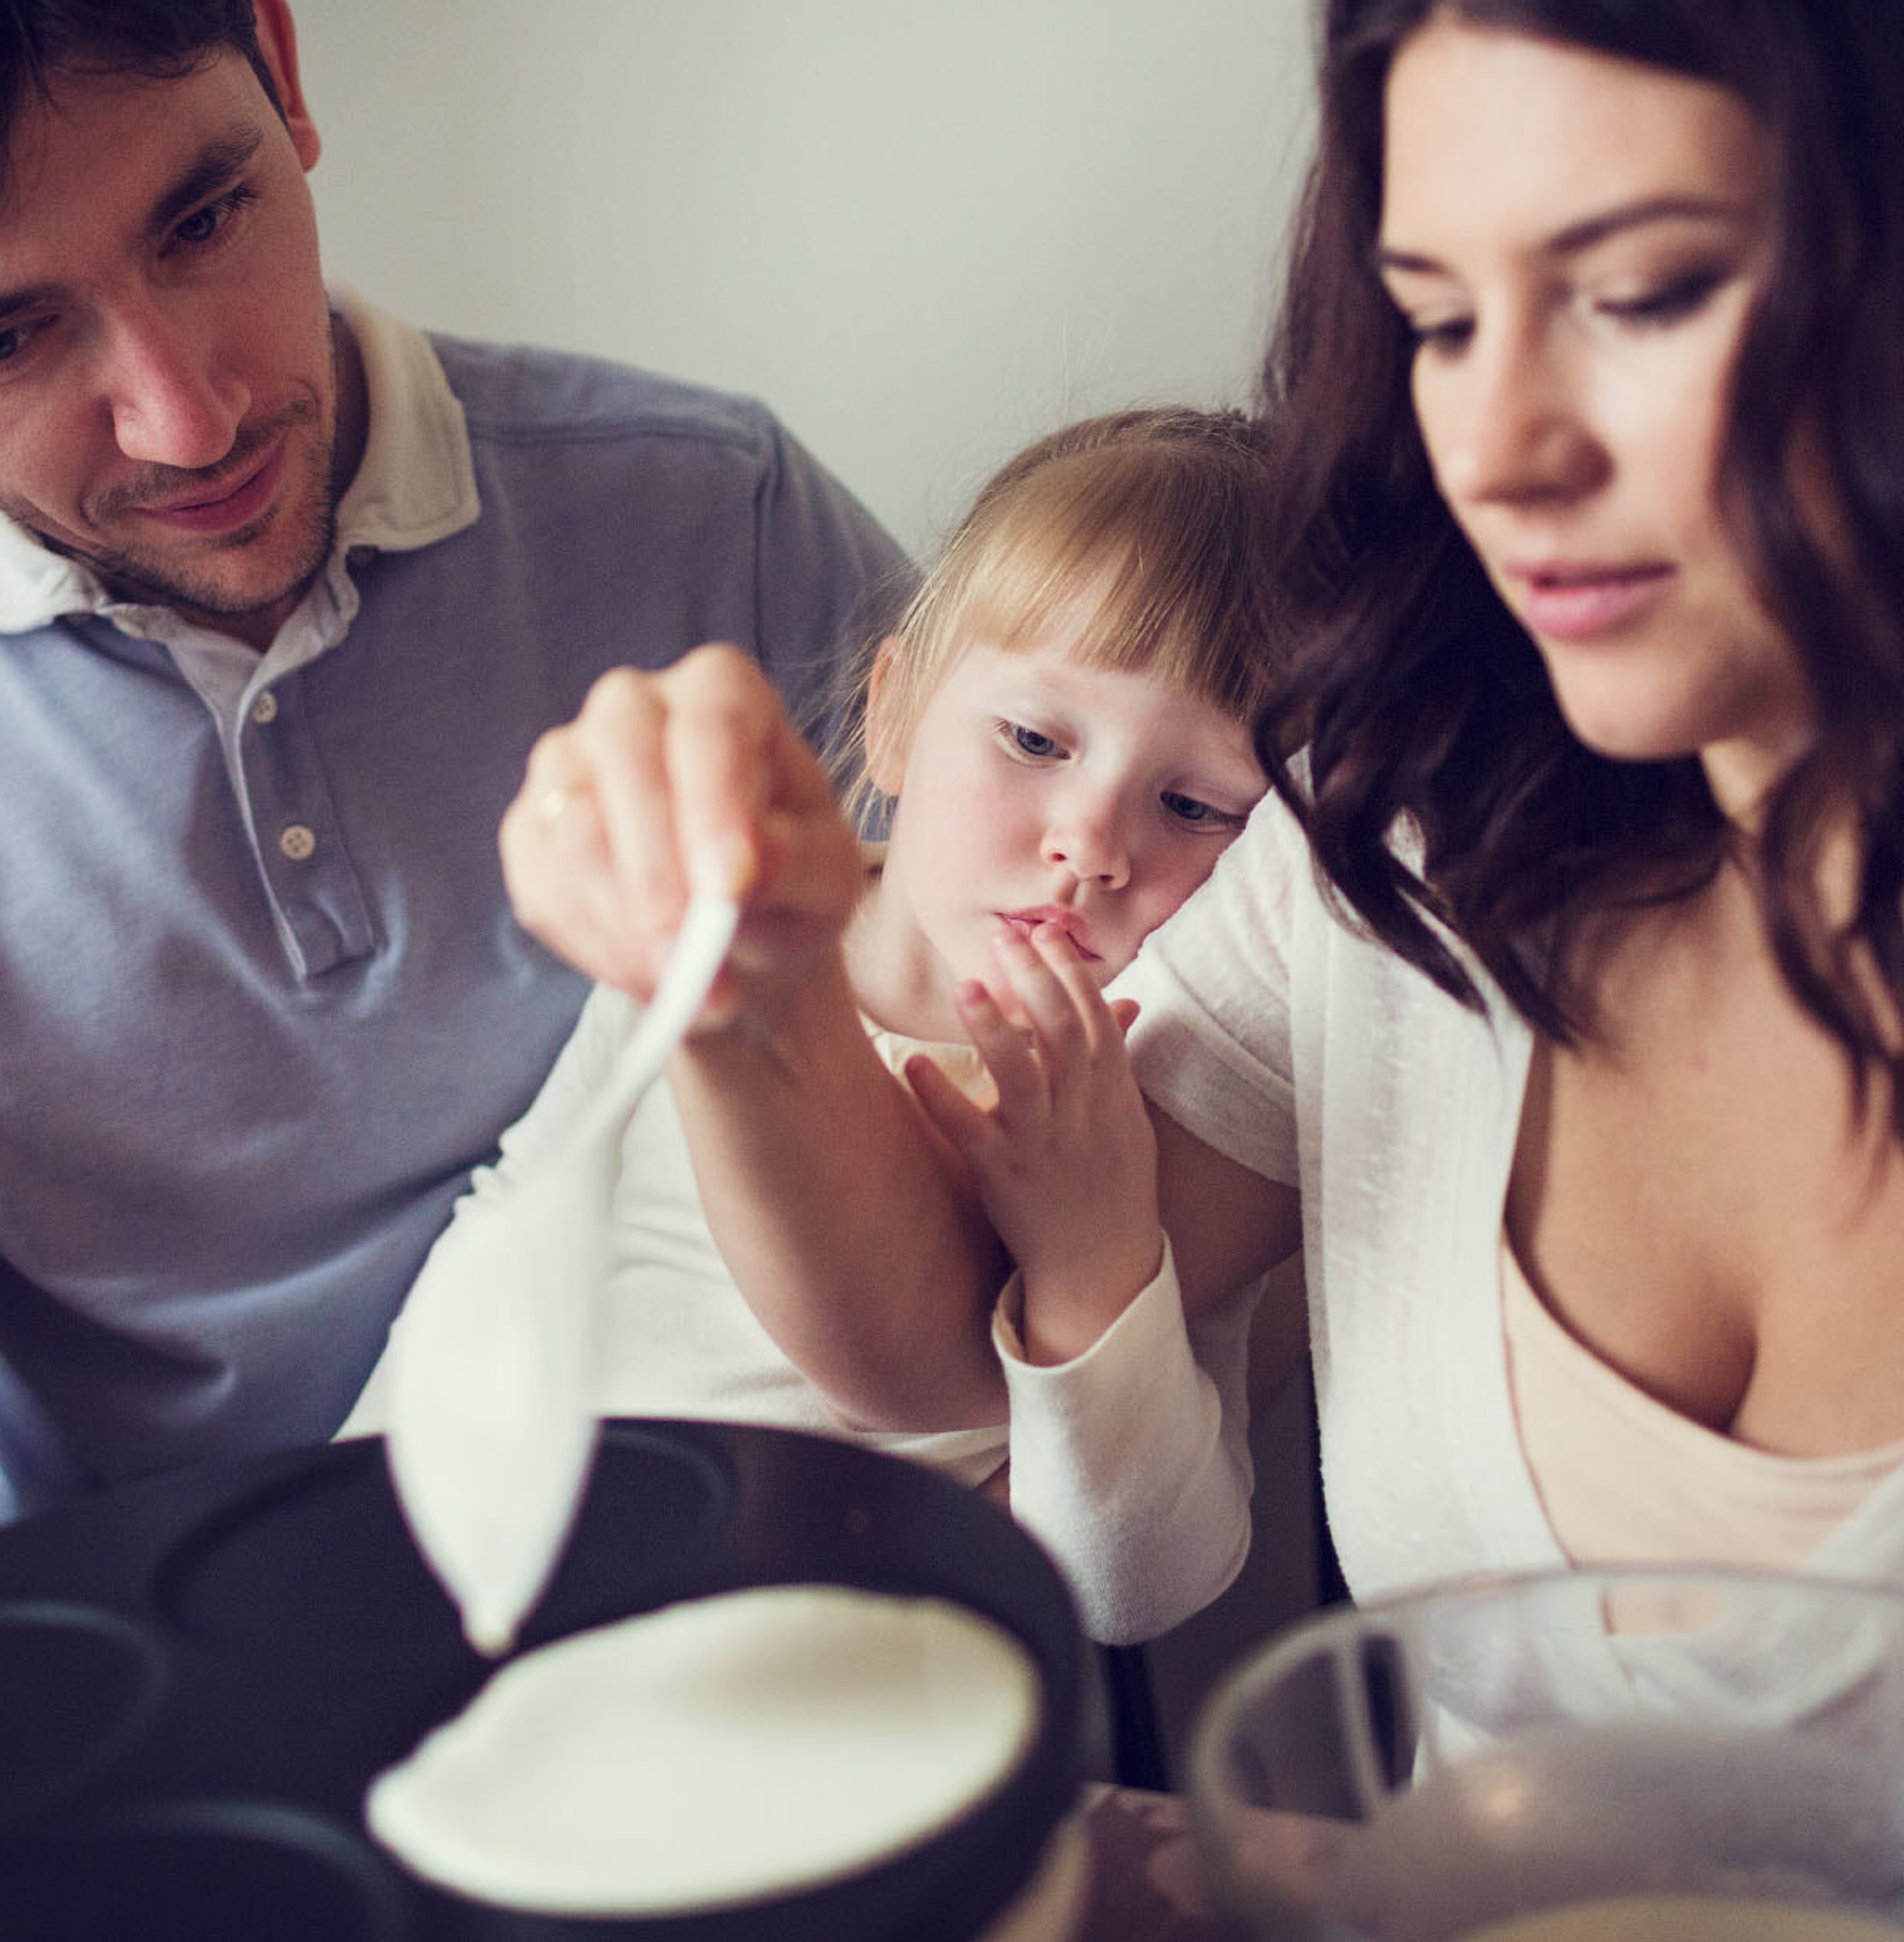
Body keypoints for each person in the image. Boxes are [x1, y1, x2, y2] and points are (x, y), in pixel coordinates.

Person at [494, 0, 1904, 1651]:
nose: (1487, 448)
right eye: (1435, 318)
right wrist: (760, 986)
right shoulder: (1383, 841)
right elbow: (947, 1331)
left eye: (1641, 292)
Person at [0, 0, 906, 1520]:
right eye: (12, 334)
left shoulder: (722, 517)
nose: (185, 419)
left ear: (278, 59)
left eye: (205, 217)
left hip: (746, 1561)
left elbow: (1016, 1083)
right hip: (156, 1673)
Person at [345, 408, 1278, 1610]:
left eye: (1198, 807)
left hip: (826, 1687)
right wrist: (354, 1527)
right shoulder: (726, 913)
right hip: (505, 1577)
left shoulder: (1162, 1094)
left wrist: (1094, 1260)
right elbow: (509, 1224)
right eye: (1036, 739)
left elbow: (1141, 1589)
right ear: (892, 715)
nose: (1088, 844)